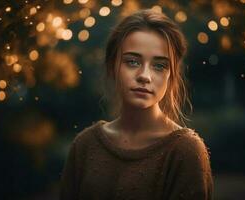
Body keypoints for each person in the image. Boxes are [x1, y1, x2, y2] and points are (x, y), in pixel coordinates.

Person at [60, 9, 213, 200]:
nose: (144, 76)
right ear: (112, 66)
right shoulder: (85, 145)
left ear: (171, 75)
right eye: (132, 62)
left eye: (159, 65)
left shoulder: (184, 151)